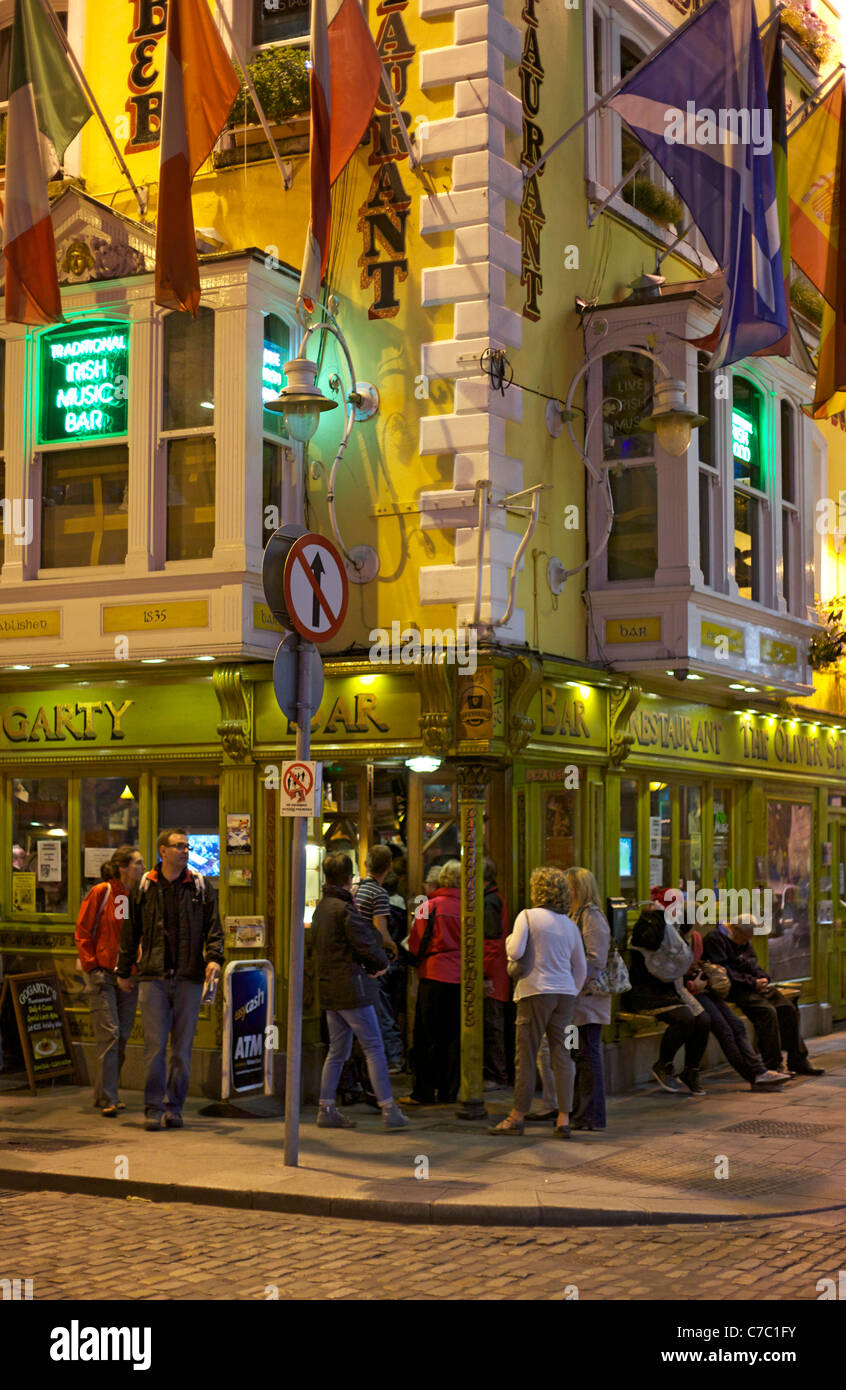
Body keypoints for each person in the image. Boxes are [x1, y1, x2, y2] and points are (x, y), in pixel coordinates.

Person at [116, 828, 224, 1131]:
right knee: (154, 1047)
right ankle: (153, 1107)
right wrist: (124, 971)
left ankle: (174, 1107)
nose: (185, 851)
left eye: (187, 846)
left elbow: (213, 928)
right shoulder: (144, 886)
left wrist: (214, 958)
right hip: (154, 978)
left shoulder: (201, 886)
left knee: (181, 1051)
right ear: (162, 850)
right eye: (178, 846)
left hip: (189, 978)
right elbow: (130, 931)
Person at [312, 851, 409, 1130]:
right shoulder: (344, 910)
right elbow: (366, 943)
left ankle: (326, 1107)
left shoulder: (322, 907)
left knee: (337, 1050)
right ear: (349, 877)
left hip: (330, 989)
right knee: (374, 1047)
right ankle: (389, 1110)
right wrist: (380, 963)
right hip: (352, 989)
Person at [490, 866, 586, 1138]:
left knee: (527, 1056)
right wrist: (571, 991)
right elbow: (580, 967)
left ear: (537, 890)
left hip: (534, 993)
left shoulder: (528, 917)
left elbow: (515, 950)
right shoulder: (570, 925)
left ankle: (517, 1116)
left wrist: (510, 939)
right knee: (563, 1056)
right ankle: (564, 1119)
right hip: (565, 998)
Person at [702, 914, 824, 1078]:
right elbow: (724, 972)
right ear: (735, 929)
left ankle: (798, 1060)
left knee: (788, 1007)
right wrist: (753, 983)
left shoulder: (742, 937)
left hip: (750, 984)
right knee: (767, 1012)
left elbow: (751, 962)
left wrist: (763, 978)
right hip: (734, 988)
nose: (746, 942)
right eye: (745, 939)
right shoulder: (715, 939)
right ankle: (773, 1064)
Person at [75, 846, 144, 1117]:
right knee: (111, 1034)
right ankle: (108, 1097)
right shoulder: (102, 892)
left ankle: (104, 1093)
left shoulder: (129, 896)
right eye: (137, 863)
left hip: (126, 974)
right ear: (123, 867)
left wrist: (130, 968)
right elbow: (82, 930)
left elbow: (126, 935)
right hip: (103, 974)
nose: (141, 867)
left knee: (122, 1036)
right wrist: (92, 966)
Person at [621, 896, 710, 1095]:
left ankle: (691, 1071)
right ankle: (664, 1064)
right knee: (686, 1019)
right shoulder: (648, 930)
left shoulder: (674, 930)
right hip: (646, 993)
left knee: (703, 1020)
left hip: (672, 990)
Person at [682, 922, 786, 1090]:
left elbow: (709, 967)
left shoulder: (696, 938)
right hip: (688, 992)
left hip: (705, 989)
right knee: (725, 1030)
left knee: (737, 1025)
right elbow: (671, 974)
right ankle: (755, 1075)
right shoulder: (707, 938)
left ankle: (760, 1072)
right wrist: (694, 985)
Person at [403, 859, 462, 1106]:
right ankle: (449, 1092)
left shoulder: (427, 906)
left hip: (433, 974)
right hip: (460, 978)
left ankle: (424, 1091)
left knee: (427, 1036)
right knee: (453, 1037)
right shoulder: (470, 907)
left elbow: (415, 943)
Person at [566, 867, 611, 1131]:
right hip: (576, 1000)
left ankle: (591, 1115)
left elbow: (596, 960)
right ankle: (579, 1112)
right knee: (576, 1054)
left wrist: (575, 987)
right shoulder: (575, 914)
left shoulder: (591, 916)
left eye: (568, 886)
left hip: (587, 999)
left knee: (587, 1053)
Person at [355, 844, 404, 1072]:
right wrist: (392, 947)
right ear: (389, 866)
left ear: (365, 864)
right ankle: (392, 1057)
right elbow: (380, 930)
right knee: (382, 1009)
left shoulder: (356, 889)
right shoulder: (379, 893)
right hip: (372, 961)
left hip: (356, 960)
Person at [483, 858, 510, 1090]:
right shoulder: (494, 897)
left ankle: (496, 1074)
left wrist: (484, 975)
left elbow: (491, 942)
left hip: (493, 974)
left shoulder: (489, 902)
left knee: (493, 1026)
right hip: (497, 971)